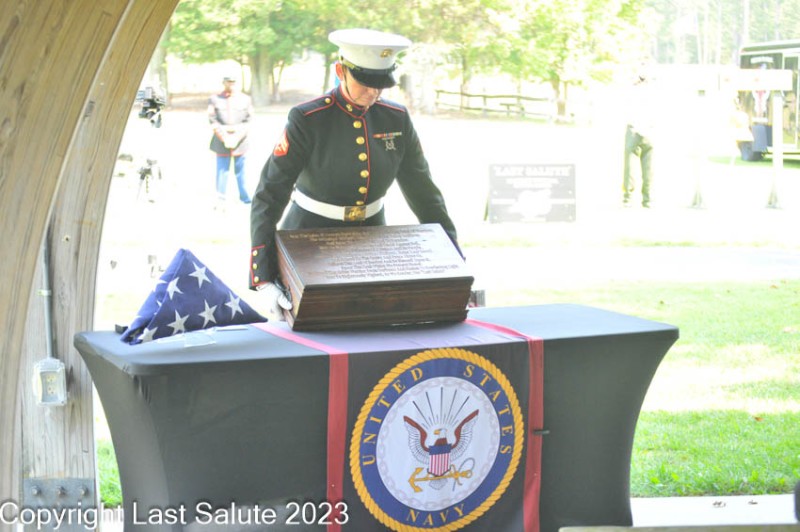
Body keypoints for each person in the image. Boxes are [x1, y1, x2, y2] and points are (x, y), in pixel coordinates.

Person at [249, 28, 461, 317]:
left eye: (381, 84)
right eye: (365, 83)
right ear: (341, 71)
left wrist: (453, 256)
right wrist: (263, 277)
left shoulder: (396, 118)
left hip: (371, 241)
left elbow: (424, 193)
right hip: (308, 241)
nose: (373, 92)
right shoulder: (308, 119)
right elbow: (270, 194)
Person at [208, 75, 254, 204]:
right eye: (229, 81)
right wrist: (225, 138)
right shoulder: (215, 99)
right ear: (224, 82)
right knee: (222, 171)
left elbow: (249, 121)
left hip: (240, 142)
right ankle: (220, 197)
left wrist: (236, 137)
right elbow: (212, 120)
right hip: (221, 141)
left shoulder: (245, 99)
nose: (231, 84)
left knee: (241, 172)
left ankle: (245, 197)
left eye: (233, 82)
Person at [623, 73, 656, 208]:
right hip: (648, 130)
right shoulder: (653, 91)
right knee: (648, 168)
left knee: (630, 167)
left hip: (634, 129)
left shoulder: (632, 91)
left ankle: (628, 198)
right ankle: (647, 199)